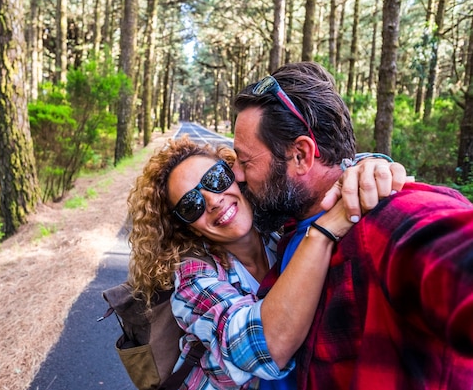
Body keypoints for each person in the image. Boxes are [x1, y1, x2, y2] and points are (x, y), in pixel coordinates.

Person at [232, 61, 473, 390]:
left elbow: (447, 245)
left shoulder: (386, 220)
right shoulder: (289, 218)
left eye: (245, 162)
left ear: (301, 155)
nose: (238, 176)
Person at [127, 136, 406, 389]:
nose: (212, 201)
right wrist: (322, 233)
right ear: (188, 227)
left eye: (216, 180)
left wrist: (369, 167)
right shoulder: (192, 277)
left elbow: (312, 182)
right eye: (191, 205)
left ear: (237, 176)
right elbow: (262, 347)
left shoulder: (278, 231)